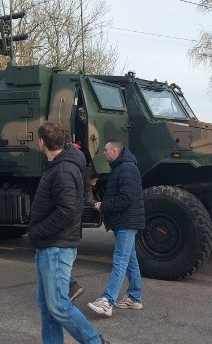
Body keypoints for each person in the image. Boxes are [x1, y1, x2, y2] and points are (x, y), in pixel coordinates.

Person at [27, 121, 108, 344]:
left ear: (41, 143)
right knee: (47, 306)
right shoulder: (62, 163)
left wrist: (37, 232)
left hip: (56, 246)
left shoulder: (63, 169)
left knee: (59, 306)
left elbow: (66, 211)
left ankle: (95, 341)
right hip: (50, 244)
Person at [87, 140, 145, 317]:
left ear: (114, 151)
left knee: (120, 260)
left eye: (105, 150)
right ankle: (134, 297)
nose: (103, 153)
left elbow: (126, 198)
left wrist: (103, 206)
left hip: (126, 221)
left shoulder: (126, 168)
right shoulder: (122, 167)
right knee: (130, 259)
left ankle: (107, 301)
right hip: (125, 221)